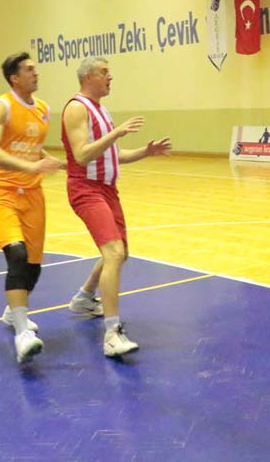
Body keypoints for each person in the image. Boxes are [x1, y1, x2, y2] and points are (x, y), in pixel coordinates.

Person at [61, 57, 171, 358]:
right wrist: (116, 132)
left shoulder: (102, 110)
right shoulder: (76, 108)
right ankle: (112, 334)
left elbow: (114, 154)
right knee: (114, 253)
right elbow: (81, 155)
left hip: (108, 190)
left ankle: (84, 298)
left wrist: (146, 151)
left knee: (121, 253)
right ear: (88, 77)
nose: (111, 77)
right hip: (86, 188)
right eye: (104, 72)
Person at [0, 53, 63, 364]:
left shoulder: (43, 109)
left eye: (35, 68)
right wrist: (29, 167)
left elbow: (31, 148)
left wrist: (52, 161)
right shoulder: (1, 106)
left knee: (33, 265)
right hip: (1, 193)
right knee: (16, 255)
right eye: (29, 70)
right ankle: (22, 334)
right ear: (14, 78)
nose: (35, 73)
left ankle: (12, 311)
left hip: (33, 197)